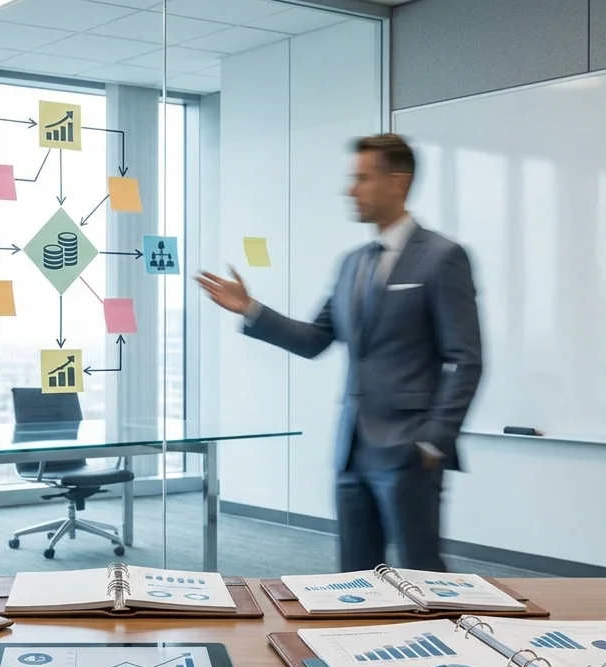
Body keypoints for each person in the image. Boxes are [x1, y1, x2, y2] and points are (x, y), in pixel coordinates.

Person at [195, 133, 482, 572]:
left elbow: (465, 358)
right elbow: (315, 339)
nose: (351, 190)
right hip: (352, 450)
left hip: (410, 452)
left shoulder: (443, 258)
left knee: (423, 576)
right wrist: (251, 309)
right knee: (354, 579)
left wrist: (434, 439)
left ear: (397, 182)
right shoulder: (352, 263)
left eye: (362, 179)